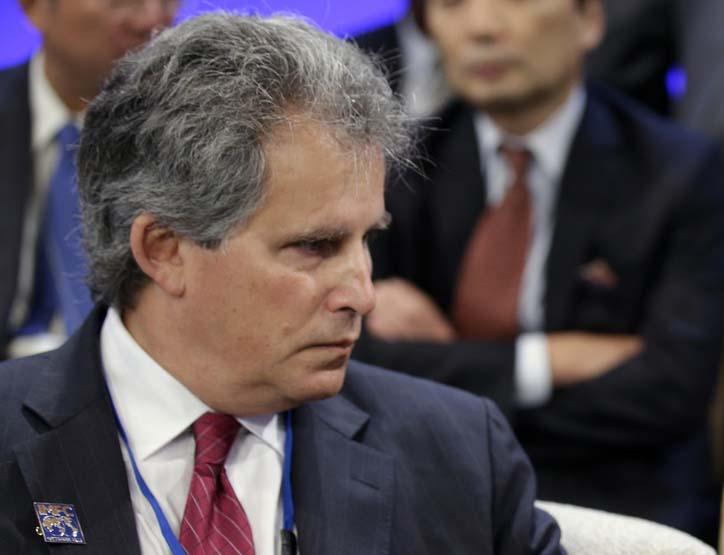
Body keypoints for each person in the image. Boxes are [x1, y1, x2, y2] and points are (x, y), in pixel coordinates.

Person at [0, 13, 565, 554]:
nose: (363, 295)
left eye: (368, 240)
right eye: (315, 247)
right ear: (163, 250)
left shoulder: (460, 456)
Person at [352, 0, 724, 543]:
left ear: (589, 20)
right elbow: (362, 367)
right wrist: (548, 360)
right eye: (453, 4)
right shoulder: (403, 167)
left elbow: (669, 391)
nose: (482, 27)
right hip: (443, 484)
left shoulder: (678, 172)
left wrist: (451, 370)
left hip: (623, 494)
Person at [0, 0, 179, 359]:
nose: (152, 20)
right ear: (34, 7)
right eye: (122, 1)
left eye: (166, 0)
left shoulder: (189, 134)